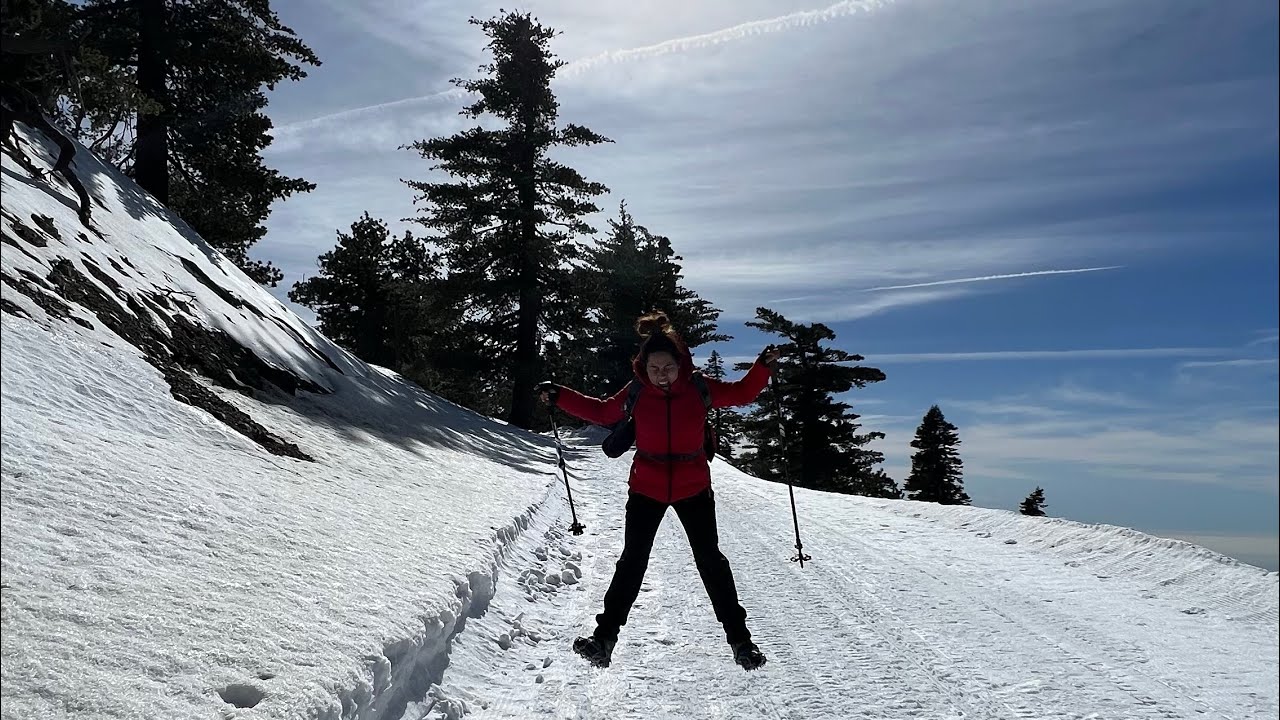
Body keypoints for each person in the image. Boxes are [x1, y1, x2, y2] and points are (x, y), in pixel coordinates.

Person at [536, 311, 780, 671]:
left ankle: (741, 643)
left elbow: (743, 392)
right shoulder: (637, 391)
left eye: (667, 367)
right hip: (646, 488)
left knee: (711, 562)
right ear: (644, 367)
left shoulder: (700, 388)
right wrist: (559, 395)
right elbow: (603, 412)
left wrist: (762, 366)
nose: (661, 374)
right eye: (654, 368)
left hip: (692, 487)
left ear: (680, 364)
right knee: (632, 562)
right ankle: (603, 641)